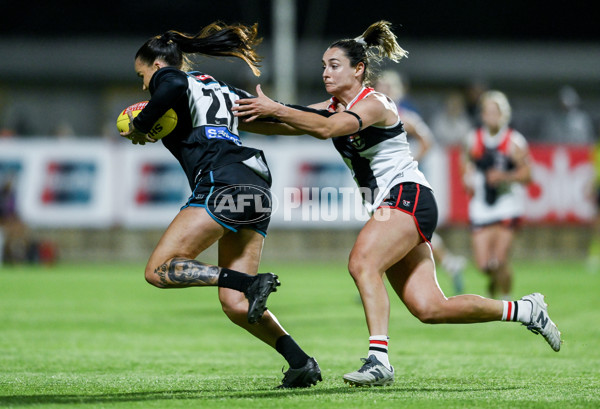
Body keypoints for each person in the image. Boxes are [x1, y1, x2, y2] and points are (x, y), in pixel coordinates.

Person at [233, 20, 562, 387]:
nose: (325, 72)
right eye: (324, 65)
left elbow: (323, 128)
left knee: (362, 262)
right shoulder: (332, 107)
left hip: (408, 196)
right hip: (391, 205)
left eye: (334, 65)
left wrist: (273, 107)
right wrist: (229, 117)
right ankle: (524, 309)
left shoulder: (373, 103)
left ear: (358, 69)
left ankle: (379, 361)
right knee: (430, 308)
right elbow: (288, 124)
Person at [119, 22, 321, 389]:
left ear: (157, 65)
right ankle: (300, 362)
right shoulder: (224, 90)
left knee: (158, 270)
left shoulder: (173, 81)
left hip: (221, 184)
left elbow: (173, 82)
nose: (144, 84)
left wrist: (141, 124)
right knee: (235, 302)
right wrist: (323, 116)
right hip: (255, 186)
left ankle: (250, 282)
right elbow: (276, 119)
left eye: (142, 75)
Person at [374, 71, 466, 294]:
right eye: (380, 86)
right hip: (383, 182)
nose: (382, 89)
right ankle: (451, 263)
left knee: (389, 226)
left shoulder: (404, 116)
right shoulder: (373, 115)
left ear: (397, 91)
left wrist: (411, 161)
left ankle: (374, 277)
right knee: (410, 229)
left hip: (404, 183)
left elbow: (427, 140)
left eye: (387, 86)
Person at [461, 91, 531, 300]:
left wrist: (504, 176)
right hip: (482, 205)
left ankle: (508, 302)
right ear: (482, 114)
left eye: (495, 112)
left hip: (507, 204)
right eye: (487, 112)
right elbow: (464, 163)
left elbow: (528, 174)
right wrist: (467, 178)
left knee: (499, 260)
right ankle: (496, 280)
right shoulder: (473, 139)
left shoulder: (514, 142)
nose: (491, 116)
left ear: (504, 115)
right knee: (483, 264)